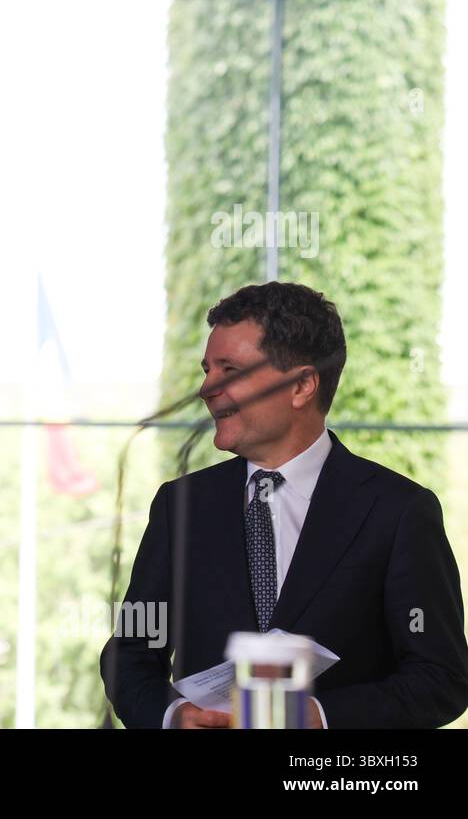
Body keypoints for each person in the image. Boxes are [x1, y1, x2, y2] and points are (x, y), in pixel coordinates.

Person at [102, 281, 468, 728]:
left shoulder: (399, 511)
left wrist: (317, 717)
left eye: (228, 370)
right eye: (206, 369)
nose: (206, 388)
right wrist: (174, 715)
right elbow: (131, 654)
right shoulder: (179, 507)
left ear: (301, 386)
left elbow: (441, 677)